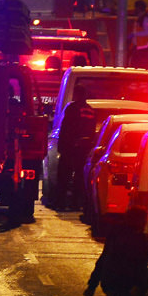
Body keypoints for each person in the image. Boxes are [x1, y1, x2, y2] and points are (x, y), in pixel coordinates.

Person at [55, 85, 96, 213]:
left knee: (63, 176)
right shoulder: (91, 110)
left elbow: (65, 127)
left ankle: (60, 203)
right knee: (79, 177)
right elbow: (91, 130)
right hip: (83, 148)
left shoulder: (72, 108)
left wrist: (61, 146)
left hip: (70, 147)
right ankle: (75, 203)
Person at [127, 0, 148, 69]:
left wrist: (134, 34)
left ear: (139, 8)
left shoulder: (145, 19)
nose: (134, 10)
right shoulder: (140, 19)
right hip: (139, 47)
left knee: (139, 66)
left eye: (136, 8)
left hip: (144, 48)